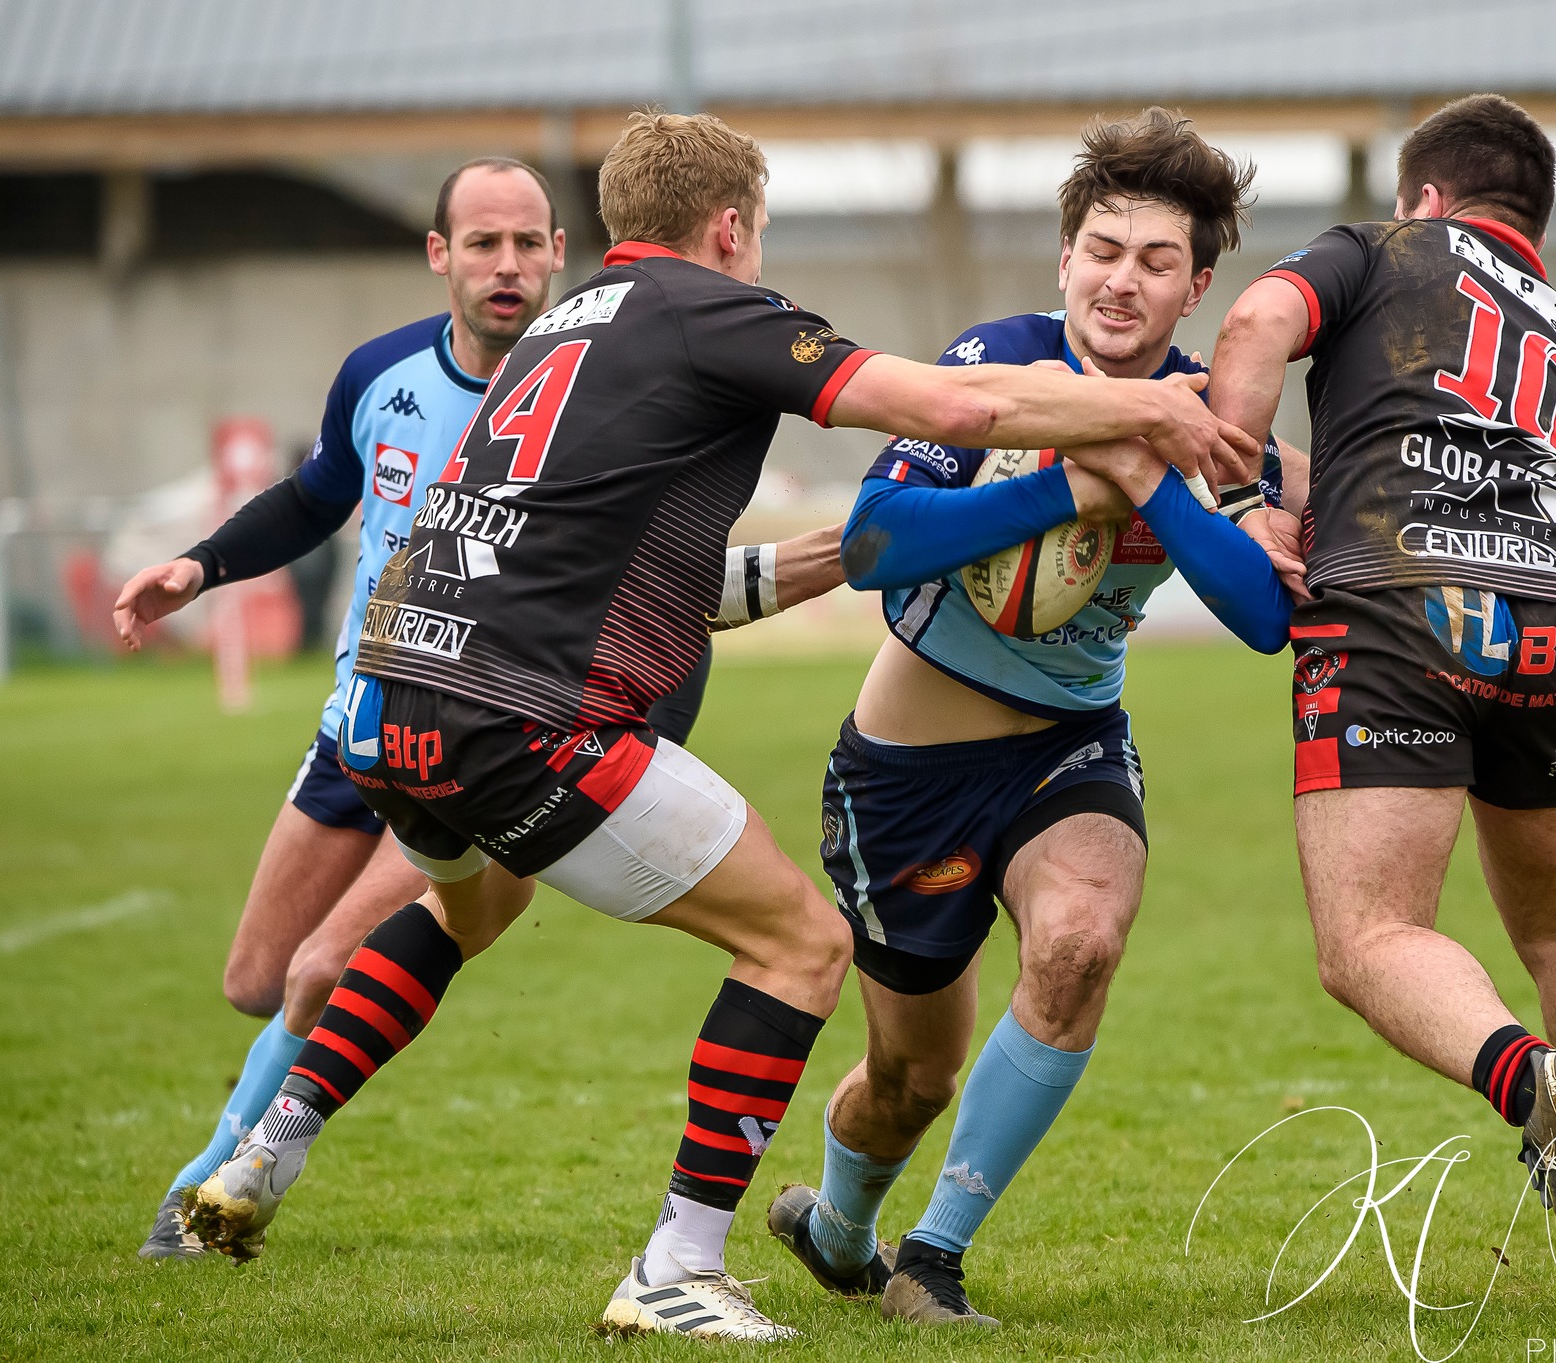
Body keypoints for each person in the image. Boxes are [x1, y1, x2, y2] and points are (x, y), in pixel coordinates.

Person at [179, 109, 1261, 1342]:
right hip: (529, 717)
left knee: (470, 906)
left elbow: (624, 559)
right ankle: (677, 1265)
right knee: (798, 945)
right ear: (731, 228)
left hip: (393, 698)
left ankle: (267, 1146)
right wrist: (1132, 440)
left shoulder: (557, 331)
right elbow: (945, 415)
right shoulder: (713, 308)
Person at [113, 158, 836, 1259]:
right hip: (361, 713)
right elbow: (317, 496)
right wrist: (201, 567)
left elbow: (664, 570)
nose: (507, 266)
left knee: (326, 965)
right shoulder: (382, 374)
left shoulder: (610, 376)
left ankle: (213, 1188)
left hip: (506, 718)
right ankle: (251, 1154)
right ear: (437, 254)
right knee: (260, 976)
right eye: (482, 244)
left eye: (527, 244)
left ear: (561, 251)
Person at [763, 109, 1301, 1327]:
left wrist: (1149, 468)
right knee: (909, 1076)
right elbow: (873, 544)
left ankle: (929, 1258)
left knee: (1078, 946)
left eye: (1155, 260)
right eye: (1102, 248)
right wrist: (1077, 471)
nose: (1123, 278)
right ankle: (841, 1225)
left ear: (1195, 285)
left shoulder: (1208, 411)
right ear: (1064, 258)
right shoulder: (987, 366)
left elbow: (1262, 616)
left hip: (1072, 749)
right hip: (905, 770)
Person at [1205, 93, 1556, 1302]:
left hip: (1397, 599)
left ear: (1423, 197)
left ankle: (1534, 1085)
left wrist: (1229, 490)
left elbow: (1262, 314)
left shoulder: (1381, 249)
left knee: (1369, 934)